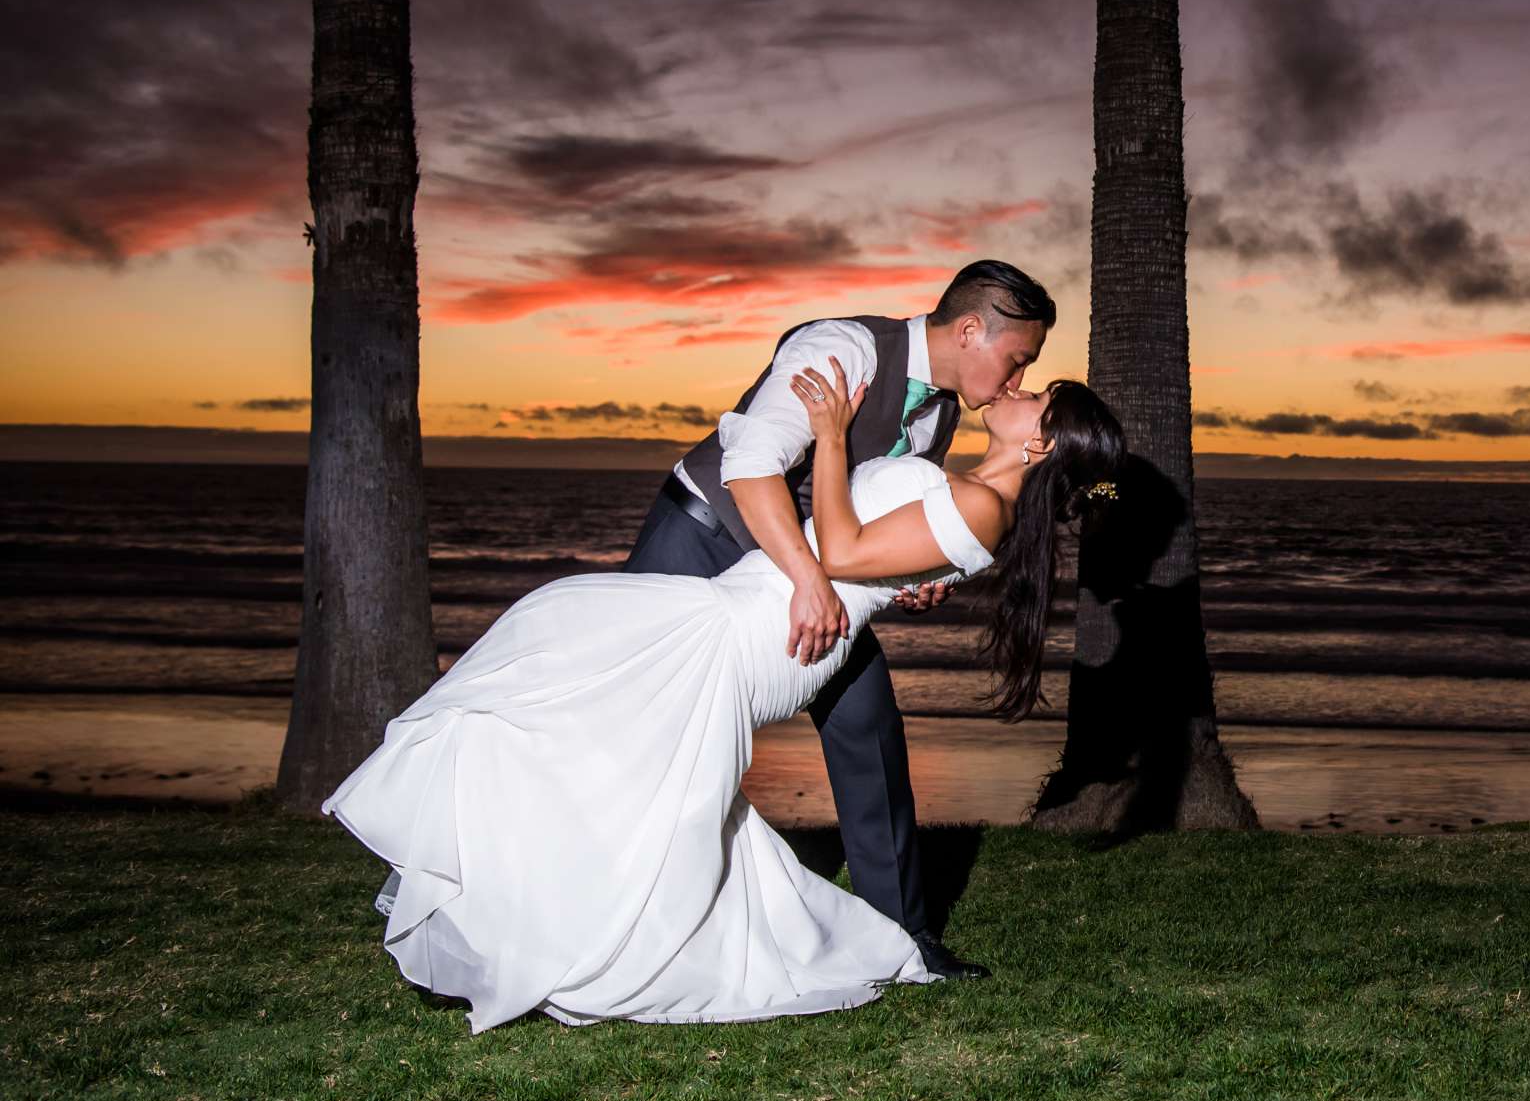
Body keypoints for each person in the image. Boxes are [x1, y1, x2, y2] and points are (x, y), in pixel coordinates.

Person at [322, 365, 1124, 1034]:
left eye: (1036, 395)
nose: (1017, 389)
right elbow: (878, 554)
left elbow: (841, 549)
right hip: (756, 604)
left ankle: (552, 940)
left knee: (572, 689)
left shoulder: (986, 506)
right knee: (573, 694)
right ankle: (502, 923)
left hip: (767, 632)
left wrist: (836, 435)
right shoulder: (973, 496)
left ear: (1042, 440)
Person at [619, 259, 1055, 980]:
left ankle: (902, 943)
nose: (1015, 381)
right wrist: (807, 578)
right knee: (633, 727)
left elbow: (876, 518)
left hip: (808, 578)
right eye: (1018, 361)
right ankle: (621, 912)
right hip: (701, 541)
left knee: (867, 725)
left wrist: (914, 573)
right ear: (972, 330)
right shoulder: (843, 348)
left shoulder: (941, 412)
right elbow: (751, 463)